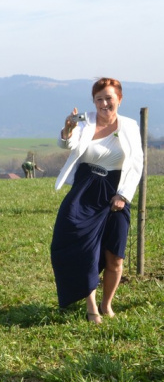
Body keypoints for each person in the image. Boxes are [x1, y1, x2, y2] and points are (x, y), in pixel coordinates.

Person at [51, 78, 143, 323]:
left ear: (119, 99)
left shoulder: (130, 126)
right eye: (99, 99)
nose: (104, 103)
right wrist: (68, 129)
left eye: (109, 98)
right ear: (93, 101)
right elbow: (67, 144)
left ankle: (107, 304)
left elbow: (136, 164)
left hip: (116, 191)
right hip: (85, 191)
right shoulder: (86, 122)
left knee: (115, 255)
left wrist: (123, 195)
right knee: (83, 250)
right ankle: (91, 306)